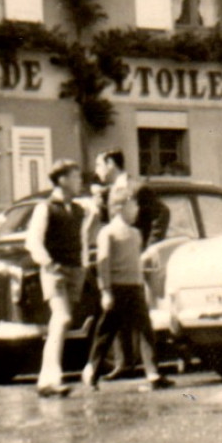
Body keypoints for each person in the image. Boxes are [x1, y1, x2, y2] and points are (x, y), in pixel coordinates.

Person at [85, 149, 170, 377]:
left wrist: (148, 246)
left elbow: (162, 213)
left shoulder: (137, 188)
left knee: (139, 319)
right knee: (113, 319)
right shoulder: (105, 193)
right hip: (114, 261)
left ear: (111, 164)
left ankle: (145, 369)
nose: (97, 171)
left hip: (134, 259)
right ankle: (122, 363)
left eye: (99, 165)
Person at [24, 160, 88, 397]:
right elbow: (33, 241)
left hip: (74, 271)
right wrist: (49, 264)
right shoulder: (46, 207)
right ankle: (50, 378)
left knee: (60, 323)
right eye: (75, 176)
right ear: (62, 180)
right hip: (55, 270)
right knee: (61, 320)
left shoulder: (79, 209)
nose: (80, 181)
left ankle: (48, 378)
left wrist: (82, 264)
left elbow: (81, 239)